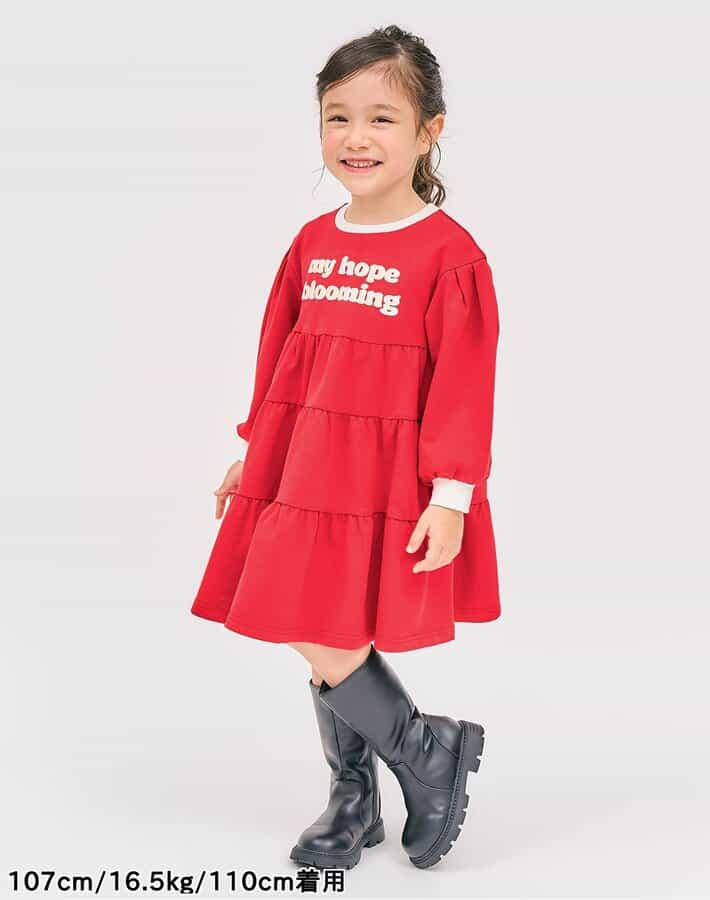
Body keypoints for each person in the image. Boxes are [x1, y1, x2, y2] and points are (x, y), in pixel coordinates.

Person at [190, 24, 501, 872]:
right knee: (309, 616)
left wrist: (451, 494)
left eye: (381, 118)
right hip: (302, 467)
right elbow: (281, 356)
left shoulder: (449, 255)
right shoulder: (312, 242)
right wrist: (256, 448)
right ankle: (390, 771)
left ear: (430, 131)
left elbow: (464, 381)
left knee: (330, 623)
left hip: (385, 475)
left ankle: (388, 774)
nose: (356, 138)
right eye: (338, 117)